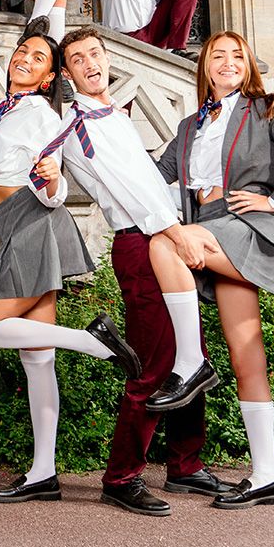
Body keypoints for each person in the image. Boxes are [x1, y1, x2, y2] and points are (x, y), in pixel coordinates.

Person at [0, 22, 142, 504]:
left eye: (38, 57)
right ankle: (43, 473)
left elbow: (55, 188)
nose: (24, 58)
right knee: (38, 359)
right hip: (13, 225)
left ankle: (92, 342)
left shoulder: (42, 113)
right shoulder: (1, 109)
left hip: (34, 222)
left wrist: (55, 180)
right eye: (22, 50)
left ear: (47, 77)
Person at [147, 29, 274, 511]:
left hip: (246, 227)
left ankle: (190, 362)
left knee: (165, 244)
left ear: (247, 65)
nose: (228, 62)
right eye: (218, 56)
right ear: (205, 66)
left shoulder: (266, 108)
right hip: (211, 227)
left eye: (237, 55)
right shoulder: (190, 125)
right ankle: (266, 476)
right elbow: (154, 175)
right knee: (246, 357)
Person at [53, 28, 229, 515]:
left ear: (108, 58)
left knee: (190, 356)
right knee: (153, 363)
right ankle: (121, 476)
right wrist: (176, 233)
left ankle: (186, 466)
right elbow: (131, 192)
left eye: (95, 53)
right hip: (142, 241)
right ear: (67, 73)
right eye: (78, 59)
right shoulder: (79, 124)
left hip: (165, 235)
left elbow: (152, 181)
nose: (90, 63)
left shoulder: (116, 115)